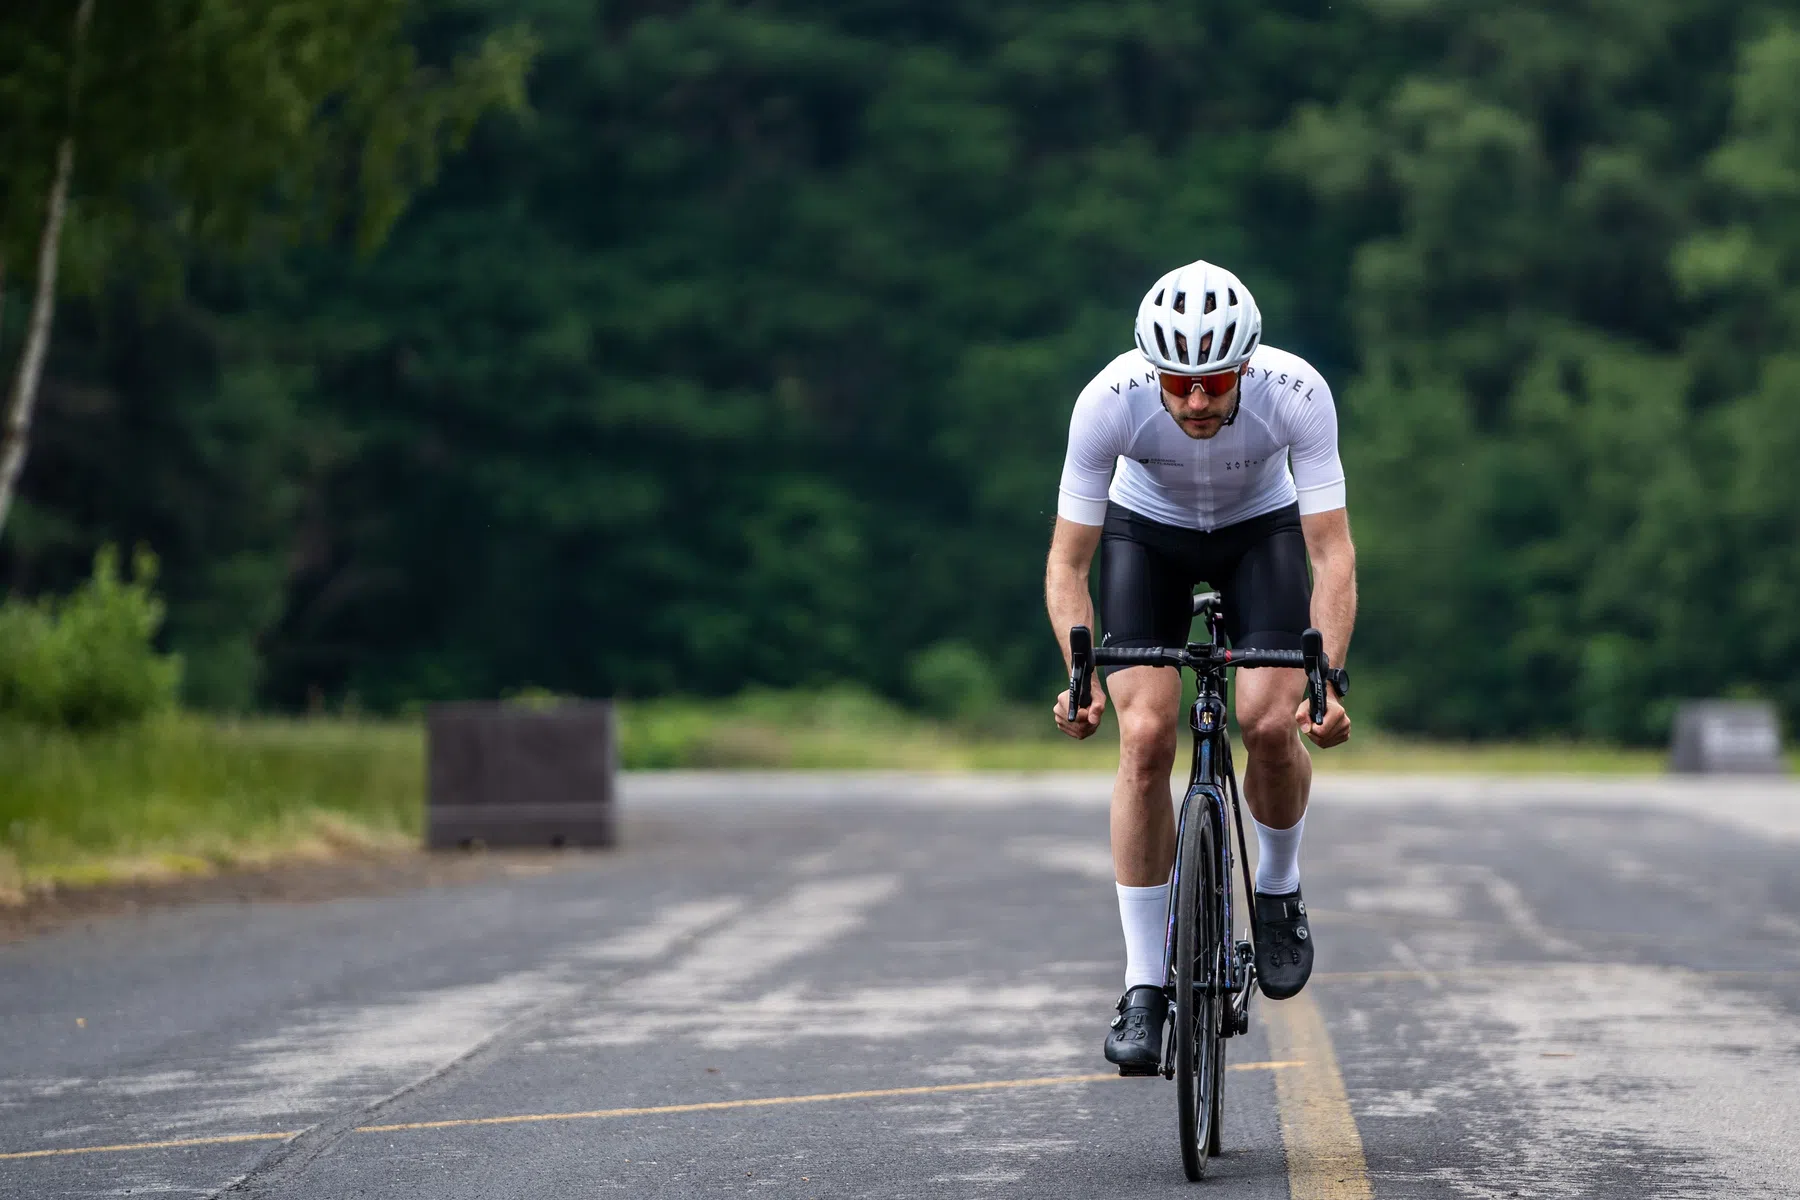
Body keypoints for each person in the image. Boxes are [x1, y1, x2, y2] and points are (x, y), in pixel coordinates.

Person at [1044, 259, 1355, 1073]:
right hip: (1146, 536)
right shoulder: (1107, 403)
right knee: (1145, 737)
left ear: (1246, 365)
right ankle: (1145, 986)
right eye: (1178, 383)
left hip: (1262, 532)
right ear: (1154, 371)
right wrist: (1079, 682)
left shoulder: (1298, 391)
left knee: (1268, 723)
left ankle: (1278, 888)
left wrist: (1327, 682)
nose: (1196, 402)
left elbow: (1331, 553)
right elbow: (1067, 565)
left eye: (1215, 381)